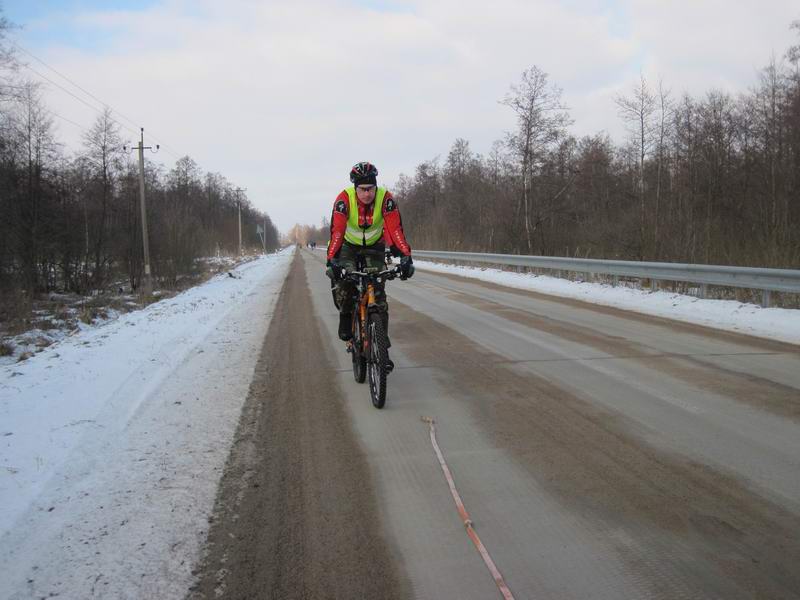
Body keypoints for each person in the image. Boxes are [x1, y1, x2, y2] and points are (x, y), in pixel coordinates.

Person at [326, 161, 414, 371]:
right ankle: (346, 318)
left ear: (376, 186)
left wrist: (405, 256)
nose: (367, 194)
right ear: (355, 188)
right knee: (346, 283)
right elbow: (337, 232)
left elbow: (395, 229)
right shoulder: (344, 200)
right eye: (363, 189)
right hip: (347, 246)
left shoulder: (386, 199)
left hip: (375, 246)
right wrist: (333, 260)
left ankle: (381, 348)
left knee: (379, 296)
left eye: (371, 189)